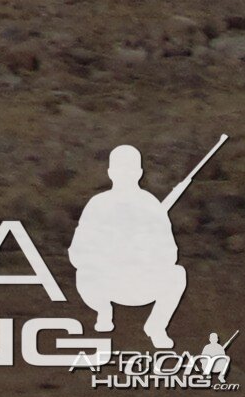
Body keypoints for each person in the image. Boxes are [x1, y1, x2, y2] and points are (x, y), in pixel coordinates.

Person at [71, 143, 189, 347]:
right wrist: (106, 255)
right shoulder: (97, 204)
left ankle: (156, 326)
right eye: (119, 168)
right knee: (84, 274)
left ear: (139, 173)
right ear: (110, 172)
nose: (124, 174)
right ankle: (104, 311)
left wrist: (143, 252)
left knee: (177, 274)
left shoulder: (151, 205)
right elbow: (77, 252)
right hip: (106, 283)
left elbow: (170, 254)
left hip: (142, 282)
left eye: (130, 169)